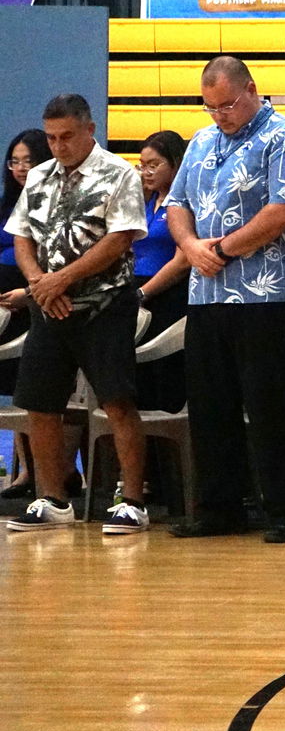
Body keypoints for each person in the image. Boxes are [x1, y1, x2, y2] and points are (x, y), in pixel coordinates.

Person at [163, 57, 285, 543]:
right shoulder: (202, 141)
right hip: (207, 293)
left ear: (252, 89)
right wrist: (191, 248)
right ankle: (219, 507)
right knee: (211, 405)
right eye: (210, 107)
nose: (219, 115)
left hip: (265, 293)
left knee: (270, 404)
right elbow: (176, 204)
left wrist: (225, 250)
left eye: (227, 104)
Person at [3, 95, 147, 533]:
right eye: (51, 137)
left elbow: (119, 239)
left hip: (105, 304)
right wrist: (39, 284)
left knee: (116, 401)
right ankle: (53, 498)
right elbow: (22, 236)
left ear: (90, 129)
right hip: (50, 305)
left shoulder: (118, 173)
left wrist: (60, 280)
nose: (58, 146)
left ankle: (133, 501)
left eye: (67, 136)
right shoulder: (41, 176)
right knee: (39, 403)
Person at [0, 130, 49, 499]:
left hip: (35, 301)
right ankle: (23, 472)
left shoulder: (48, 204)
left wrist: (29, 293)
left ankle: (55, 472)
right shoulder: (6, 204)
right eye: (14, 160)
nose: (19, 168)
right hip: (6, 305)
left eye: (28, 160)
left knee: (34, 387)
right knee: (18, 391)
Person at [132, 130, 191, 414]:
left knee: (164, 383)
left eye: (154, 165)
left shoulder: (185, 203)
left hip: (167, 297)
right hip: (134, 295)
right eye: (142, 165)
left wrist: (144, 293)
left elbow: (182, 262)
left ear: (175, 164)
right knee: (136, 386)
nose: (146, 172)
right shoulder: (143, 203)